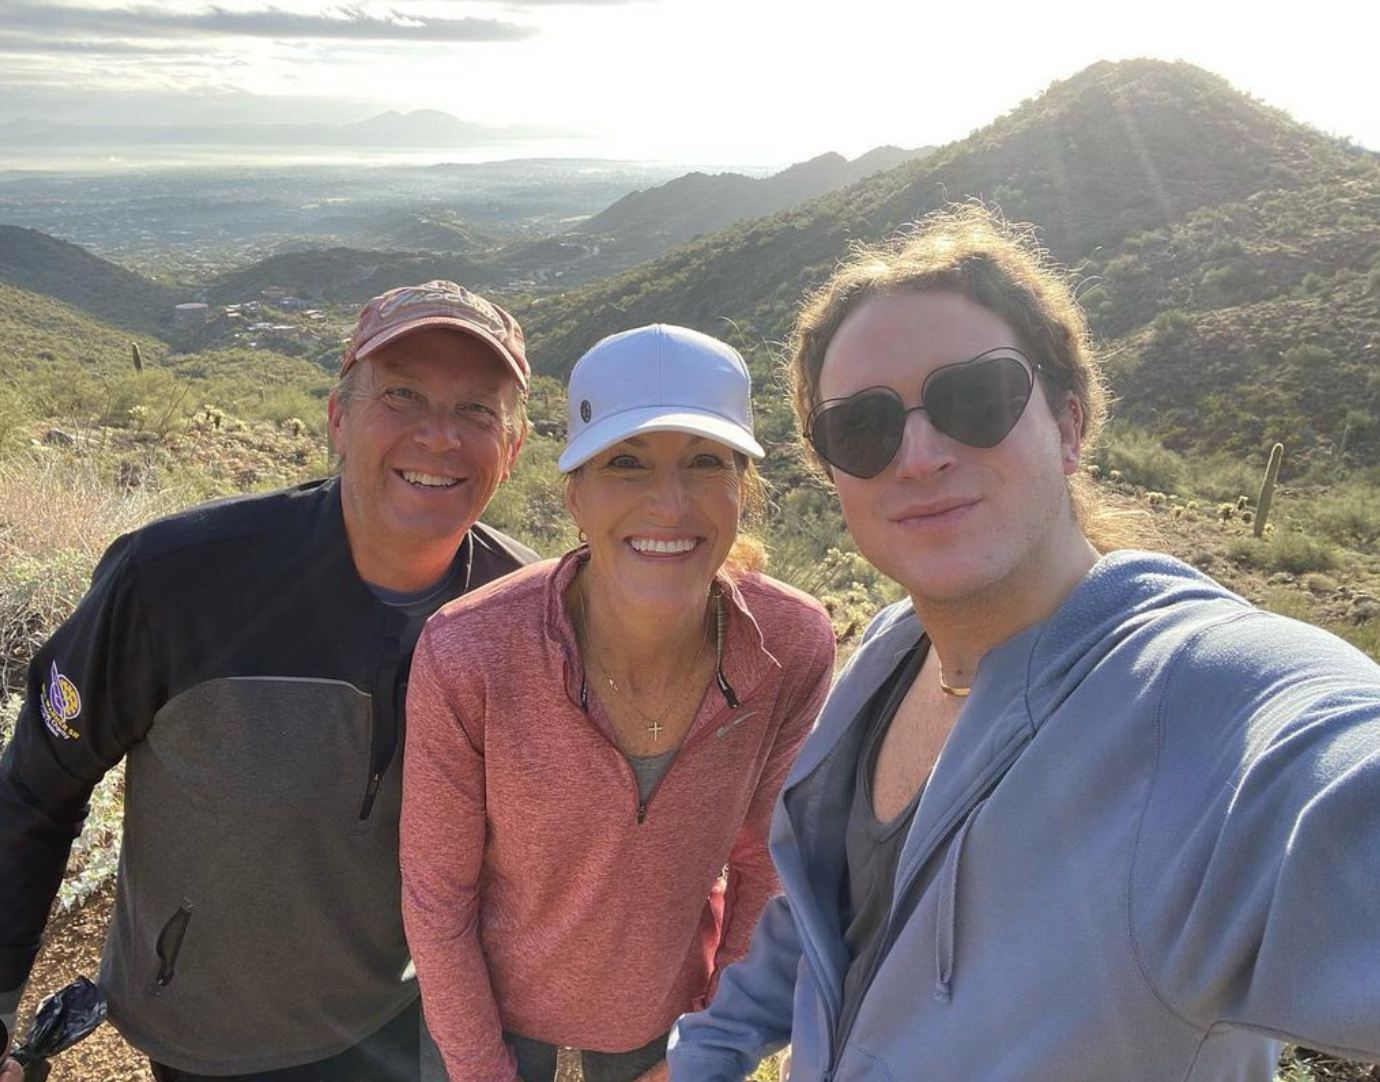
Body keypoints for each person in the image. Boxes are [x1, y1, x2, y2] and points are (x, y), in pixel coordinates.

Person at [666, 206, 1380, 1081]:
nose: (919, 454)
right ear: (832, 471)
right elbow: (824, 914)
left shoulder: (1202, 695)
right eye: (863, 428)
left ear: (1070, 425)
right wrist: (707, 1051)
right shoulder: (893, 654)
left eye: (976, 399)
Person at [0, 280, 538, 1082]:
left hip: (399, 1023)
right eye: (402, 395)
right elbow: (34, 794)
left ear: (514, 447)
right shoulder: (175, 581)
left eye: (477, 412)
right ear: (337, 418)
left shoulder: (526, 614)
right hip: (207, 1036)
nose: (439, 435)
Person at [400, 324, 837, 1082]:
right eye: (626, 464)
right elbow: (438, 898)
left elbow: (766, 868)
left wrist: (713, 1046)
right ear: (576, 496)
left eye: (706, 463)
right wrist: (481, 1071)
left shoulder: (790, 648)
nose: (668, 504)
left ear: (744, 490)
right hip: (482, 1032)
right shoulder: (469, 653)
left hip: (662, 1036)